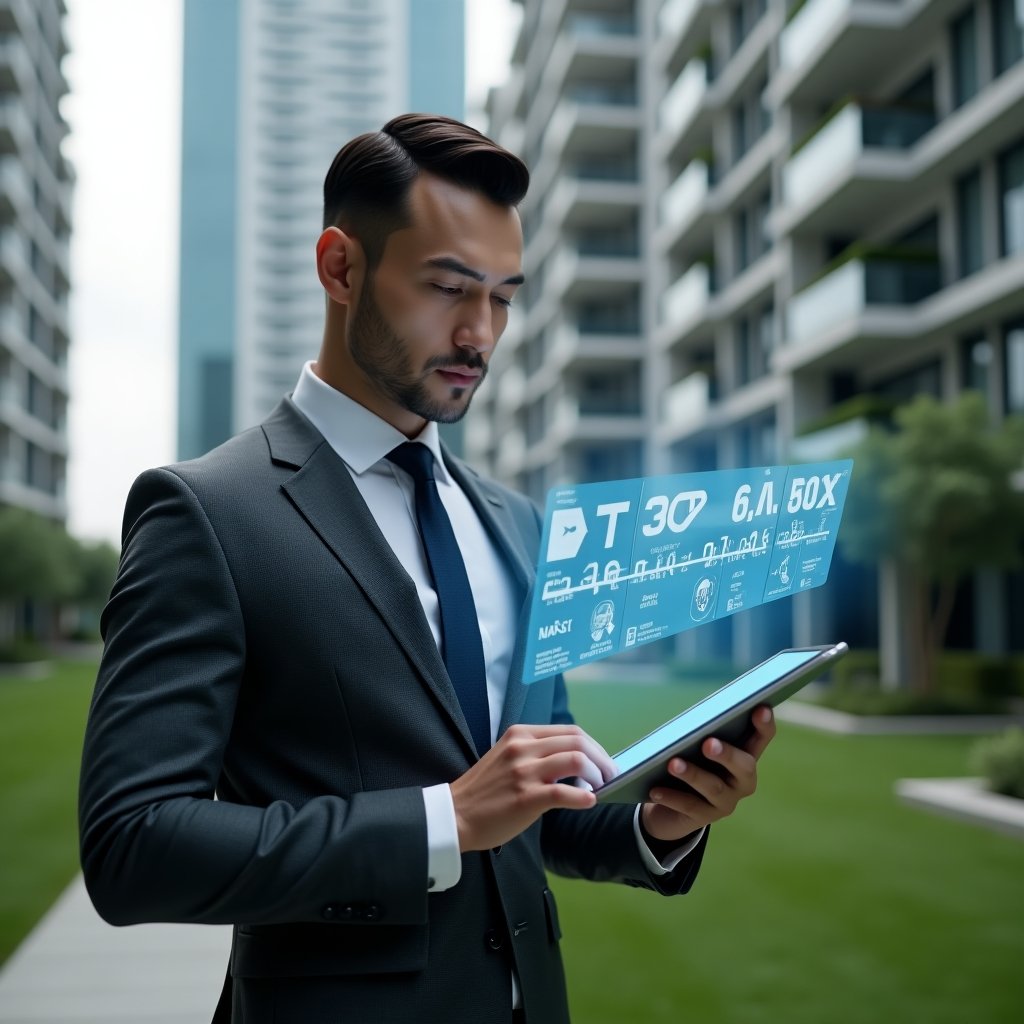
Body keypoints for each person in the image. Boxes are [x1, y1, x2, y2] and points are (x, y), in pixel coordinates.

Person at [78, 113, 776, 1024]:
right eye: (448, 288)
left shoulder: (517, 525)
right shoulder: (206, 512)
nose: (480, 333)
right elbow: (134, 845)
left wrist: (658, 821)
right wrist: (440, 819)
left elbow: (536, 805)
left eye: (504, 297)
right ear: (340, 268)